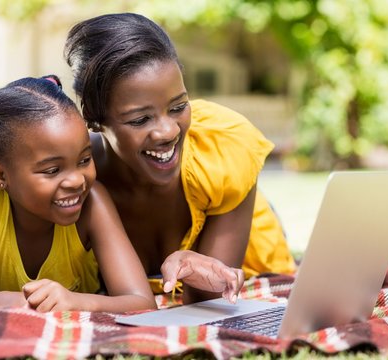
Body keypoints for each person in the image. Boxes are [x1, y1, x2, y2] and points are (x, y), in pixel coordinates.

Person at [63, 13, 295, 304]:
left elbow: (211, 300)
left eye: (178, 106)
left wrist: (193, 264)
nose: (168, 131)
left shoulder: (221, 147)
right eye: (140, 119)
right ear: (94, 119)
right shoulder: (71, 180)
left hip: (251, 249)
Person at [0, 75, 158, 314]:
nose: (76, 180)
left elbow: (141, 302)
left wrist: (73, 301)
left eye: (85, 159)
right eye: (52, 170)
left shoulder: (93, 202)